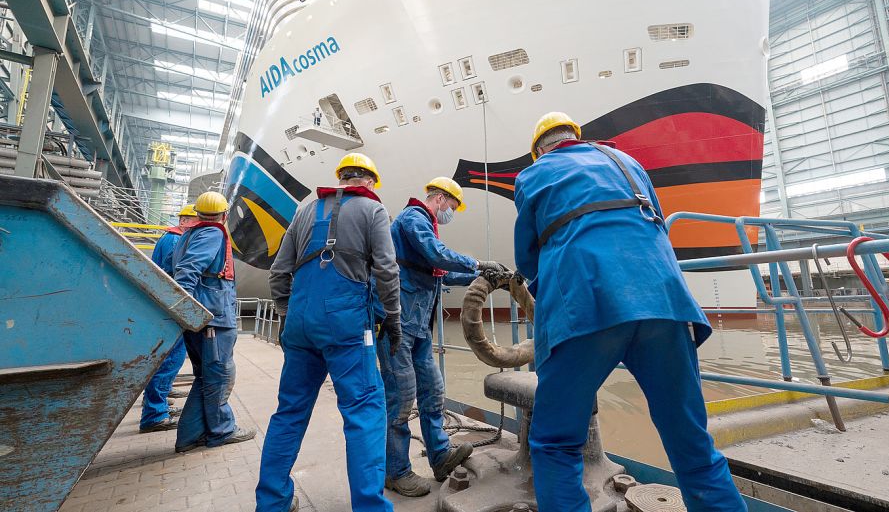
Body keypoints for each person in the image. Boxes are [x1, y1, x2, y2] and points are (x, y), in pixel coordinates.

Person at [513, 112, 747, 512]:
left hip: (585, 305)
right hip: (664, 300)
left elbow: (527, 256)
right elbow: (656, 224)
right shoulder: (628, 163)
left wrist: (547, 294)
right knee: (690, 442)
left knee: (555, 444)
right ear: (578, 138)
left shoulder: (533, 176)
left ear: (539, 150)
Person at [256, 153, 401, 512]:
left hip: (299, 323)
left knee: (289, 411)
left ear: (340, 178)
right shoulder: (373, 210)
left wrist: (287, 314)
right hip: (346, 323)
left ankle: (272, 502)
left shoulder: (305, 211)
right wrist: (394, 319)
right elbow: (386, 269)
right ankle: (369, 506)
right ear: (368, 181)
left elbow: (278, 273)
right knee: (365, 410)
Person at [378, 176, 506, 497]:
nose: (451, 213)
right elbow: (437, 255)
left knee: (433, 391)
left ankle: (440, 457)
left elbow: (443, 272)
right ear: (440, 199)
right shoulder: (413, 219)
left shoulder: (426, 228)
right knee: (401, 399)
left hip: (419, 328)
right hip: (397, 326)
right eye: (452, 206)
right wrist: (478, 261)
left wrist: (481, 274)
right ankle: (396, 472)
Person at [172, 191, 255, 453]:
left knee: (204, 377)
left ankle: (189, 436)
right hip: (213, 319)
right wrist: (185, 307)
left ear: (197, 213)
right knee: (219, 376)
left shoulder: (189, 233)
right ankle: (222, 430)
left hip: (205, 317)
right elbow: (189, 269)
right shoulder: (213, 233)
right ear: (225, 215)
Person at [139, 204, 197, 433]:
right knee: (171, 358)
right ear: (183, 221)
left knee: (166, 358)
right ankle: (155, 414)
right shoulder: (175, 240)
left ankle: (156, 405)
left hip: (165, 305)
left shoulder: (169, 238)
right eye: (194, 220)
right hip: (172, 306)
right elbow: (179, 273)